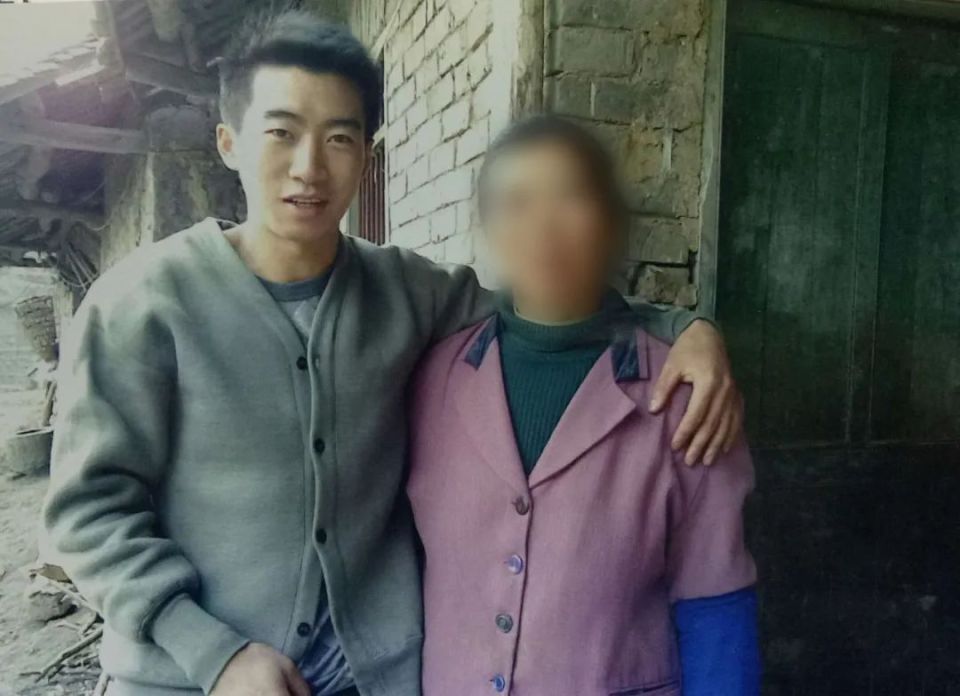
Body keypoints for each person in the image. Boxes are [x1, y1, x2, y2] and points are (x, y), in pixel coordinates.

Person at [43, 9, 744, 696]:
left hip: (370, 678)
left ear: (367, 155)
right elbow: (86, 512)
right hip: (186, 677)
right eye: (281, 132)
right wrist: (214, 654)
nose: (309, 167)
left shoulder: (407, 291)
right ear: (229, 142)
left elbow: (547, 303)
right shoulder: (143, 304)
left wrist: (687, 325)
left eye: (339, 138)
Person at [407, 116, 761, 696]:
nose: (543, 226)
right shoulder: (431, 380)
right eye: (516, 203)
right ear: (488, 228)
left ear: (611, 221)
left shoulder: (685, 392)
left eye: (570, 196)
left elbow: (715, 607)